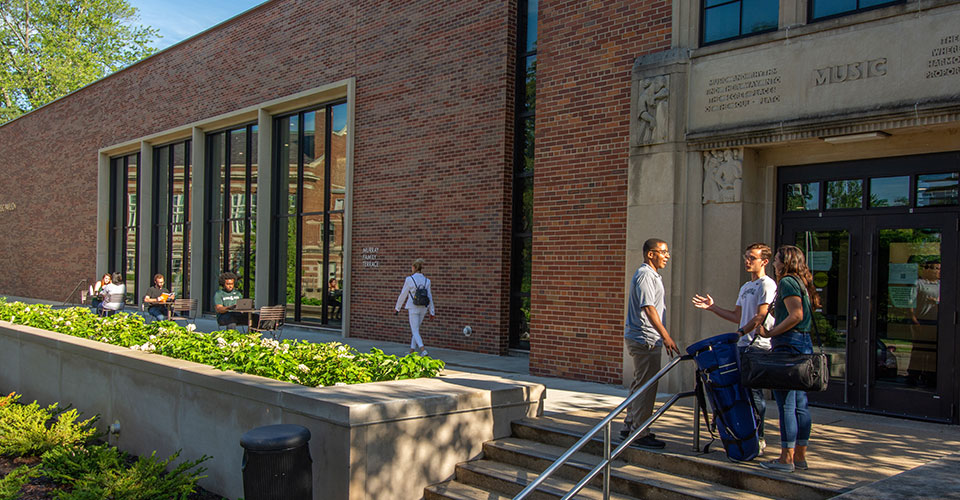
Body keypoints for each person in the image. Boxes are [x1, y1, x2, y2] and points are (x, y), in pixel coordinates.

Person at [692, 243, 776, 454]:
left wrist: (742, 332)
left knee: (755, 393)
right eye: (746, 257)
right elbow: (737, 316)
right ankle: (745, 433)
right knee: (742, 391)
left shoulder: (767, 284)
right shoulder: (745, 287)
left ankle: (760, 435)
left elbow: (761, 315)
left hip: (758, 346)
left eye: (752, 258)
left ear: (764, 261)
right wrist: (712, 308)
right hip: (742, 345)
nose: (747, 261)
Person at [757, 245, 821, 473]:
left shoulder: (787, 282)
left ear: (785, 262)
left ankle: (786, 458)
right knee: (800, 403)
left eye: (776, 260)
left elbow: (796, 315)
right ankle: (799, 456)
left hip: (788, 344)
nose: (773, 264)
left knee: (787, 404)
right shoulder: (801, 282)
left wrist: (770, 333)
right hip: (801, 343)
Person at [622, 238, 680, 449]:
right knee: (647, 387)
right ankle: (640, 432)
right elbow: (649, 308)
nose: (667, 256)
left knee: (640, 383)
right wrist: (666, 336)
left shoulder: (650, 275)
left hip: (643, 337)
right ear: (650, 254)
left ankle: (630, 425)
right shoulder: (646, 275)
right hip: (645, 338)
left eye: (667, 252)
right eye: (663, 252)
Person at [394, 258, 435, 356]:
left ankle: (423, 349)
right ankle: (412, 351)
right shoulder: (427, 281)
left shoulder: (409, 279)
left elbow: (403, 294)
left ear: (413, 267)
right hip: (423, 308)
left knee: (415, 330)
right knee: (416, 329)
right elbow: (430, 296)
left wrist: (397, 308)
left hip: (413, 307)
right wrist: (432, 311)